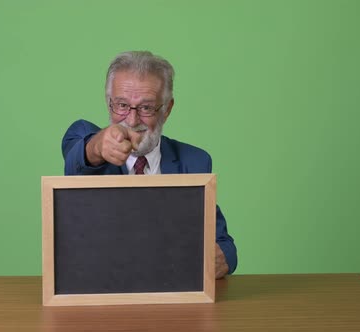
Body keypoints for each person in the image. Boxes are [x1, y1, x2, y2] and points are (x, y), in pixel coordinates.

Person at [61, 51, 237, 278]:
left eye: (146, 108)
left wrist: (223, 258)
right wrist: (97, 147)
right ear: (109, 103)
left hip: (170, 294)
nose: (132, 121)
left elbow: (224, 246)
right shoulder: (83, 136)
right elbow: (78, 156)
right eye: (122, 105)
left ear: (167, 109)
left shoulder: (194, 161)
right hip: (99, 290)